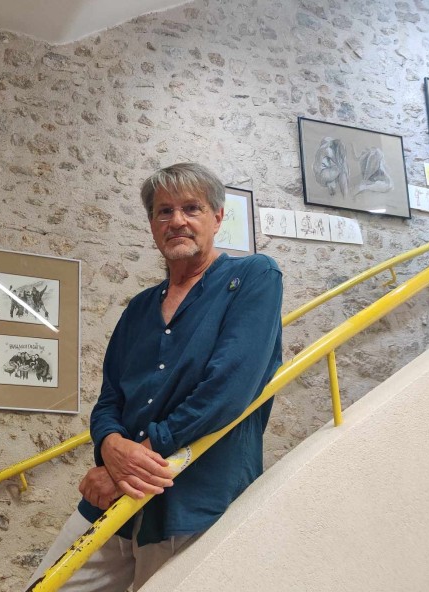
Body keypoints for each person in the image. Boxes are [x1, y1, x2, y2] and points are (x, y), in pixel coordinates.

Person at [27, 163, 283, 591]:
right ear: (151, 224)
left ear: (217, 217)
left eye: (191, 208)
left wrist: (128, 465)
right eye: (164, 211)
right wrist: (109, 446)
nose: (177, 220)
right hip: (114, 502)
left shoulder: (254, 276)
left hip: (193, 499)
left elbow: (227, 390)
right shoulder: (139, 308)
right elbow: (110, 399)